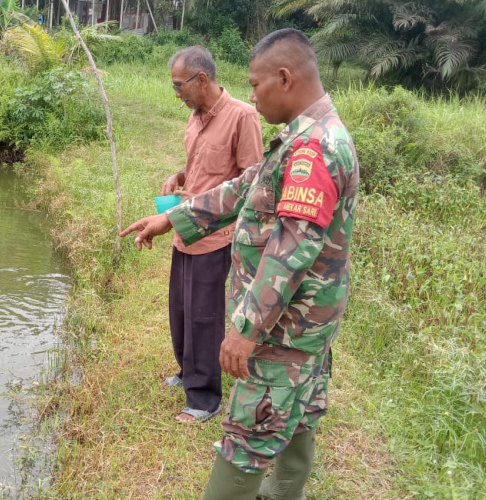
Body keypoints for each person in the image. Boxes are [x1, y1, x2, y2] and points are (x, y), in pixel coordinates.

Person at [119, 28, 359, 499]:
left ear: (284, 78)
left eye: (255, 84)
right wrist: (171, 218)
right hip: (306, 326)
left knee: (249, 439)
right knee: (297, 416)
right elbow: (242, 187)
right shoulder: (302, 138)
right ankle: (283, 492)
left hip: (283, 331)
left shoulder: (314, 150)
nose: (251, 95)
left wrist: (246, 330)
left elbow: (290, 252)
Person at [162, 46, 263, 424]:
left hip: (216, 234)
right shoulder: (195, 117)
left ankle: (204, 399)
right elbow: (201, 165)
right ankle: (187, 370)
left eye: (179, 85)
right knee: (180, 310)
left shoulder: (243, 116)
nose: (177, 94)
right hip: (185, 228)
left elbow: (251, 180)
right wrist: (179, 176)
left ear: (201, 79)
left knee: (203, 316)